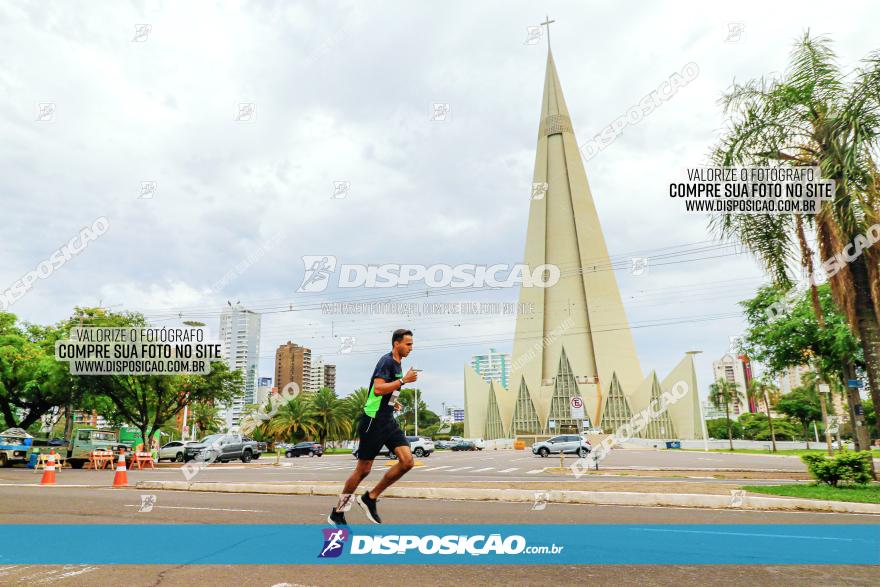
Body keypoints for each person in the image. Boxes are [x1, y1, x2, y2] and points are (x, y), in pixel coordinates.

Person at [328, 328, 418, 525]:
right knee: (363, 469)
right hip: (373, 420)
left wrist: (393, 403)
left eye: (411, 344)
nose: (411, 348)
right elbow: (377, 389)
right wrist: (403, 381)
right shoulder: (386, 361)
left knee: (407, 461)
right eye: (408, 344)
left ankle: (370, 497)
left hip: (387, 419)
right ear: (397, 344)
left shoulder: (398, 364)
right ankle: (338, 512)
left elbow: (388, 391)